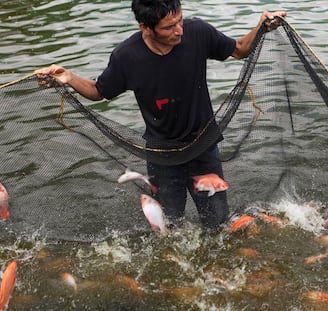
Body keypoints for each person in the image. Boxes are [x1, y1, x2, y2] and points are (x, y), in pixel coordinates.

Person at [35, 0, 286, 229]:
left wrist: (261, 26)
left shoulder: (198, 32)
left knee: (218, 222)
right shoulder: (127, 57)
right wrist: (68, 78)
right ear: (145, 27)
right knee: (168, 227)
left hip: (204, 146)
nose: (179, 30)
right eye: (168, 27)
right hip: (161, 154)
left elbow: (240, 49)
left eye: (179, 20)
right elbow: (98, 91)